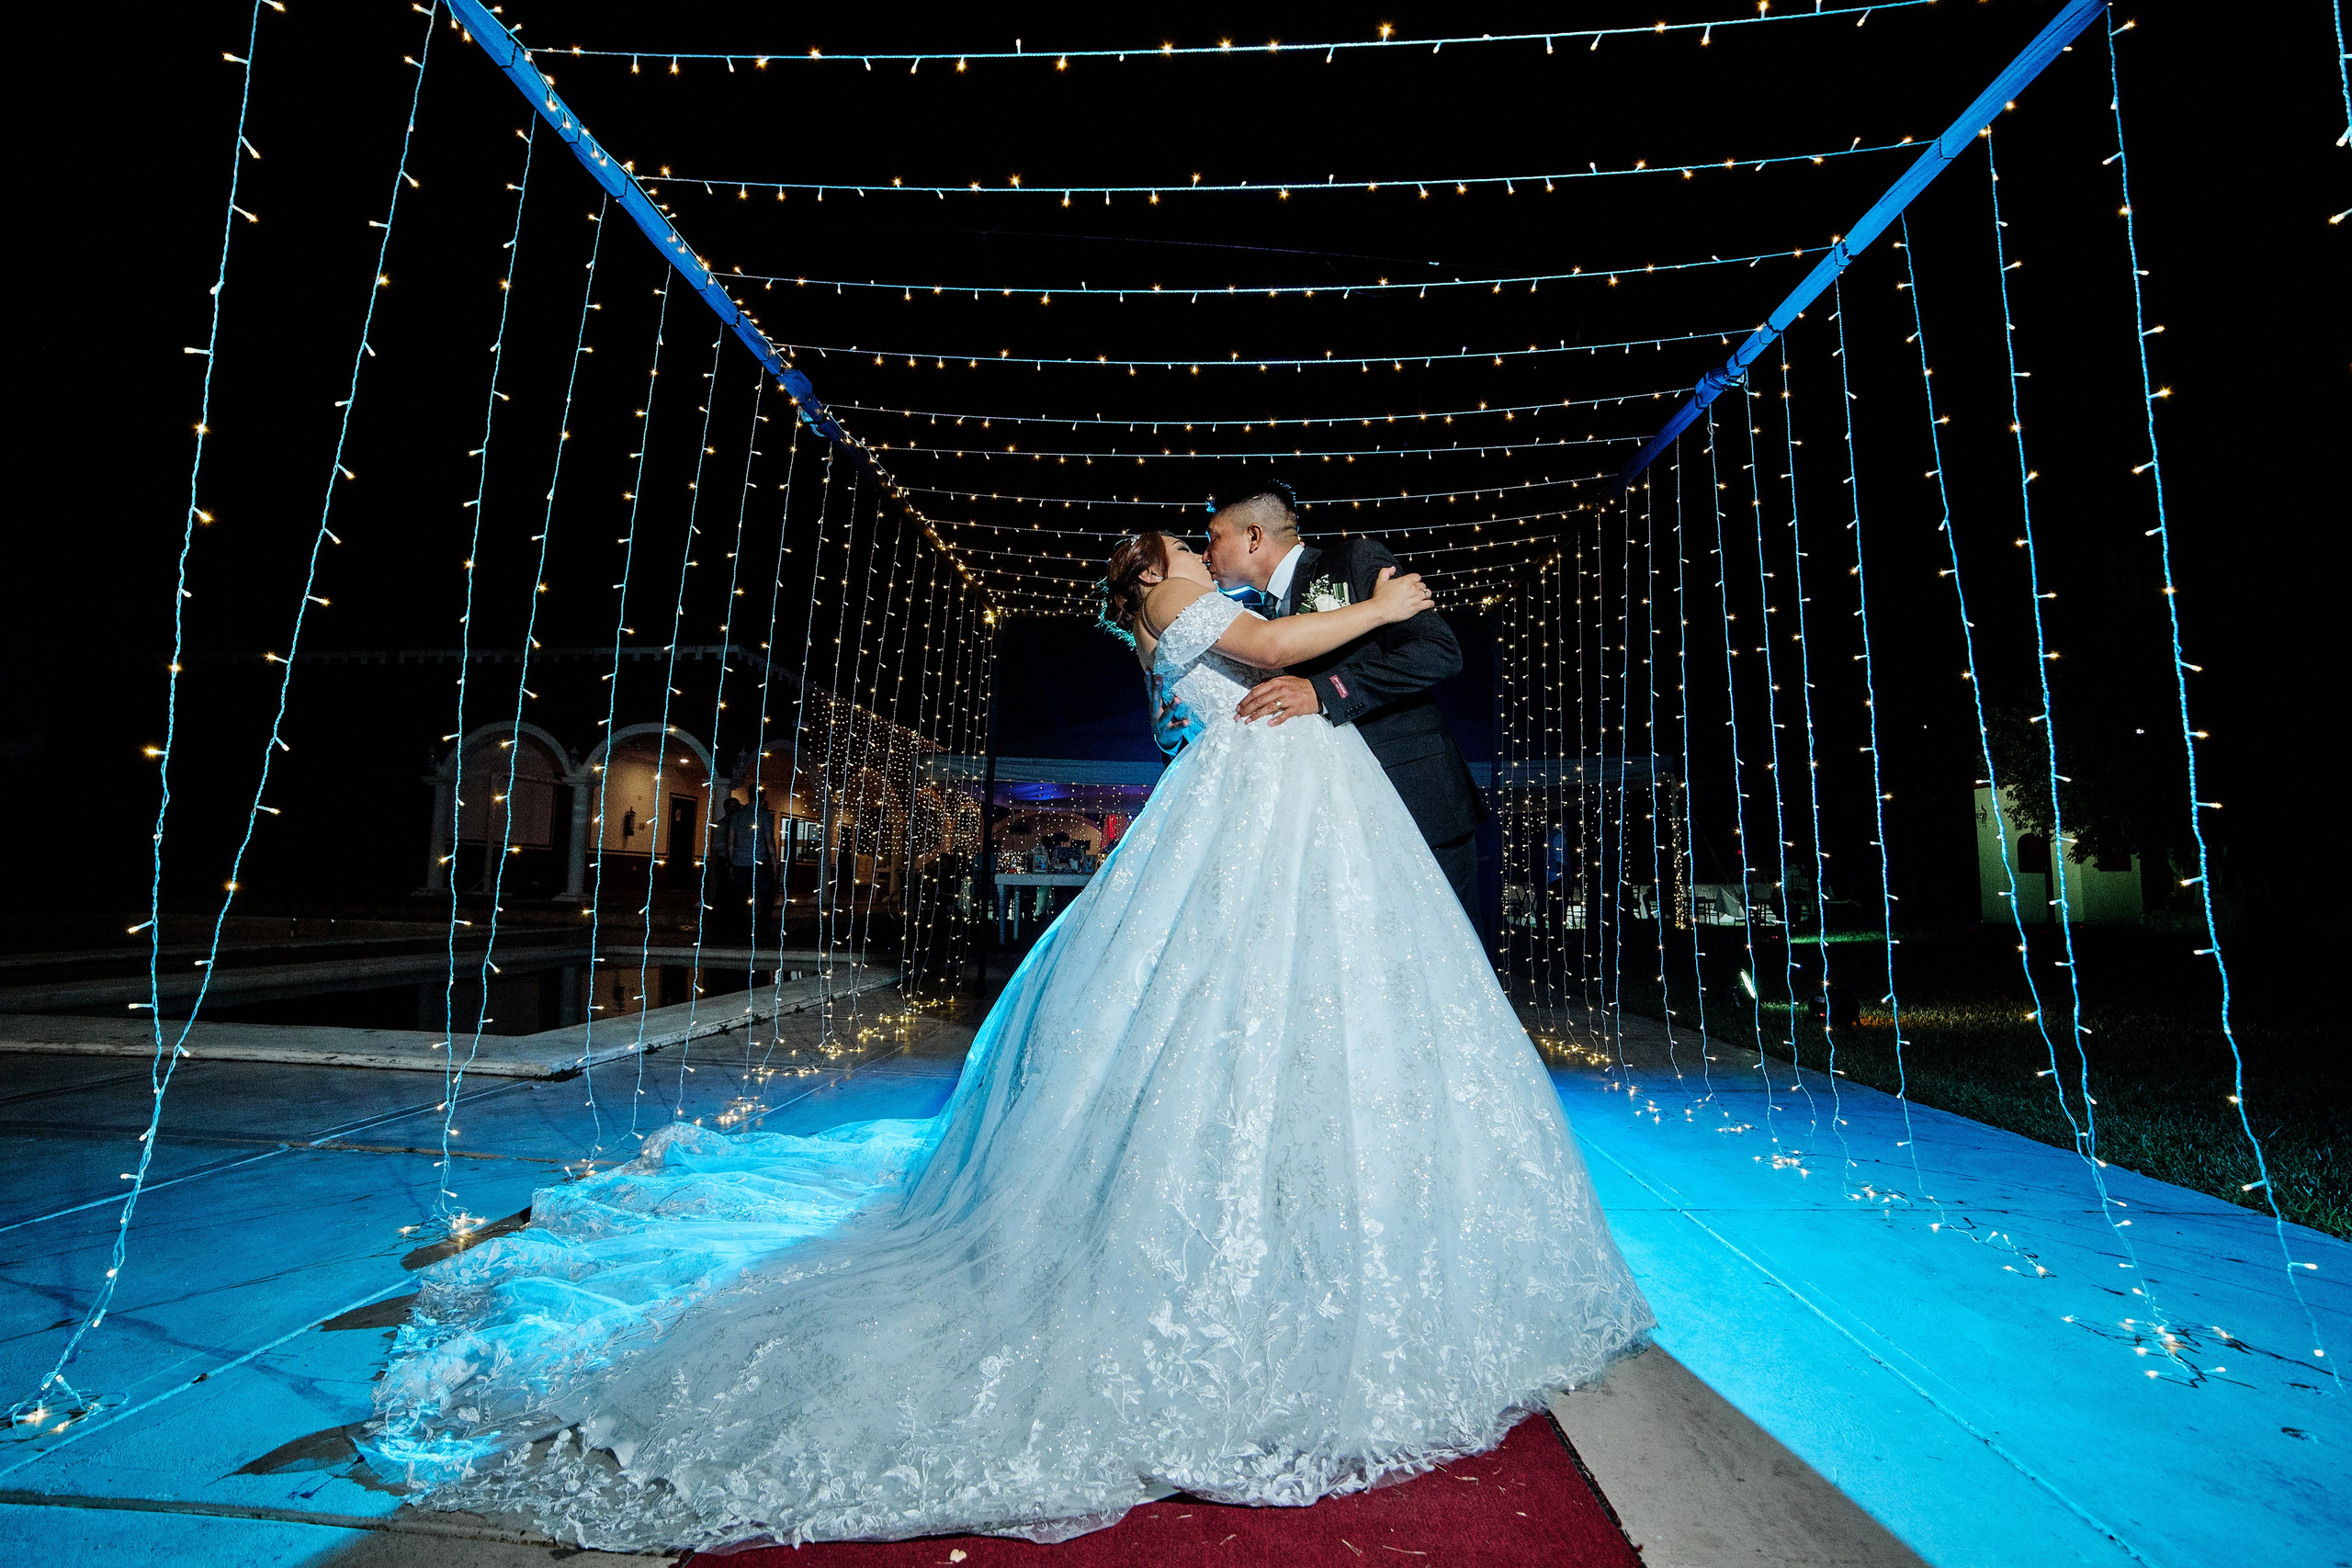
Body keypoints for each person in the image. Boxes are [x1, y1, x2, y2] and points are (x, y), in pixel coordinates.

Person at [365, 531, 1651, 1551]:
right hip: (1255, 815)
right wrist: (1379, 611)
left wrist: (1345, 647)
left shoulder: (1192, 618)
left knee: (1280, 1014)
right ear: (1154, 580)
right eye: (1186, 549)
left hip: (1286, 816)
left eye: (1209, 542)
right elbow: (1271, 641)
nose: (1205, 551)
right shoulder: (1197, 615)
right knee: (1224, 1011)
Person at [1199, 479, 1488, 919]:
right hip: (1341, 814)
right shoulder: (1259, 619)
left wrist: (1324, 691)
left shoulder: (1353, 559)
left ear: (1253, 536)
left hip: (1413, 797)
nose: (1205, 555)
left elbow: (1438, 652)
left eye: (1213, 538)